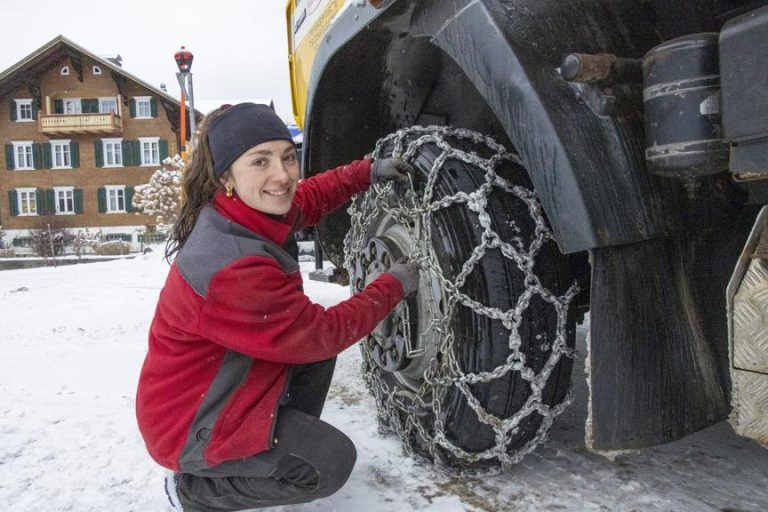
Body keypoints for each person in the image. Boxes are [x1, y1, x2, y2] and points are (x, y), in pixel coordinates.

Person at [135, 102, 420, 512]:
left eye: (288, 157)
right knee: (328, 465)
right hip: (186, 424)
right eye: (260, 161)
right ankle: (193, 491)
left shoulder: (244, 212)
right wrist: (393, 284)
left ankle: (260, 453)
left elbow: (312, 195)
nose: (282, 175)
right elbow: (323, 333)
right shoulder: (232, 263)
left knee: (313, 356)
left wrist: (367, 172)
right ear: (227, 177)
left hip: (214, 392)